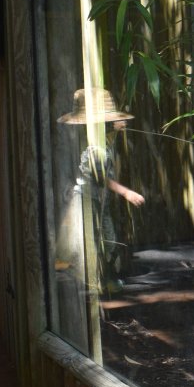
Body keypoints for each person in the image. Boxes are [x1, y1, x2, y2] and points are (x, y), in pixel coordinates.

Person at [57, 87, 144, 293]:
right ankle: (91, 285)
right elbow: (100, 177)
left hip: (98, 199)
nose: (117, 121)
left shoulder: (106, 141)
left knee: (108, 239)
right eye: (110, 120)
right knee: (88, 243)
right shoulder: (94, 146)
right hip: (86, 200)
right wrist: (126, 193)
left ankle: (106, 281)